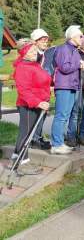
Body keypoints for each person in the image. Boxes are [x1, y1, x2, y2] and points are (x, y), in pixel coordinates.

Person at [11, 43, 50, 174]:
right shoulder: (23, 67)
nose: (35, 52)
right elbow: (24, 90)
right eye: (31, 51)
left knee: (26, 133)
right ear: (24, 53)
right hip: (28, 105)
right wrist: (38, 103)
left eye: (35, 50)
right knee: (25, 134)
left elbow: (40, 83)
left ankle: (16, 159)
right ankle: (23, 164)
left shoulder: (34, 64)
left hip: (38, 103)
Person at [50, 25, 84, 155]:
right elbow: (65, 68)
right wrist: (79, 64)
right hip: (64, 86)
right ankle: (56, 144)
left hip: (72, 86)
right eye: (80, 36)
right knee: (61, 116)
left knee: (65, 116)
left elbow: (72, 66)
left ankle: (59, 142)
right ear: (72, 37)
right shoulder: (63, 49)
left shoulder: (74, 50)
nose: (82, 38)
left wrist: (79, 65)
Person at [29, 28, 52, 150]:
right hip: (34, 90)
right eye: (42, 40)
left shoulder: (46, 54)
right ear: (35, 41)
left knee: (42, 116)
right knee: (33, 116)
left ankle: (37, 137)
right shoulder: (32, 55)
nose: (45, 42)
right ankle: (32, 139)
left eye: (46, 40)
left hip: (44, 89)